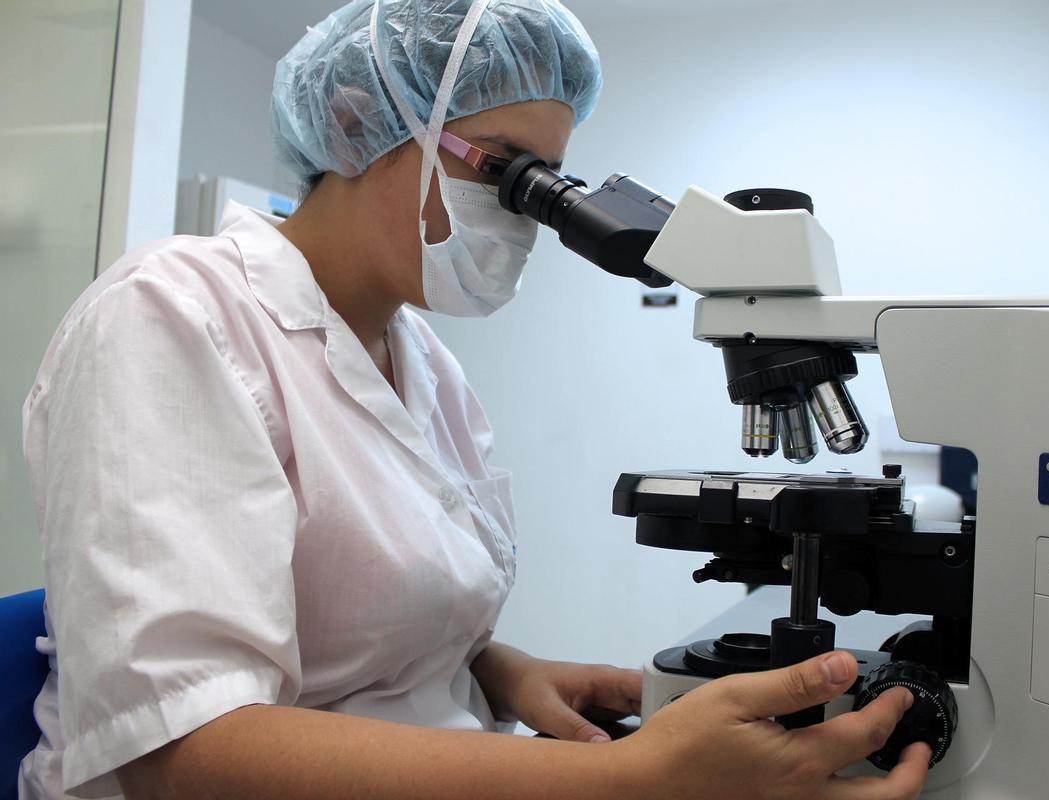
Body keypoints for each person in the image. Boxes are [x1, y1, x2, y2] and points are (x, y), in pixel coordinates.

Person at [18, 1, 931, 798]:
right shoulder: (173, 318)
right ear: (358, 121)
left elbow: (351, 635)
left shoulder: (419, 358)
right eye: (503, 168)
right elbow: (184, 753)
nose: (526, 211)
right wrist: (627, 780)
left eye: (547, 180)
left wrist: (498, 673)